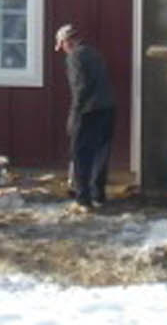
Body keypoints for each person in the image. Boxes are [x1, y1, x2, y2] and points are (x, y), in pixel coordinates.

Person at [56, 22, 115, 209]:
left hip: (88, 111)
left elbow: (80, 88)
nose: (63, 50)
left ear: (67, 42)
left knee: (81, 154)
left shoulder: (74, 57)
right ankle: (99, 195)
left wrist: (74, 115)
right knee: (101, 154)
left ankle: (83, 199)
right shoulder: (95, 53)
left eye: (62, 46)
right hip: (108, 108)